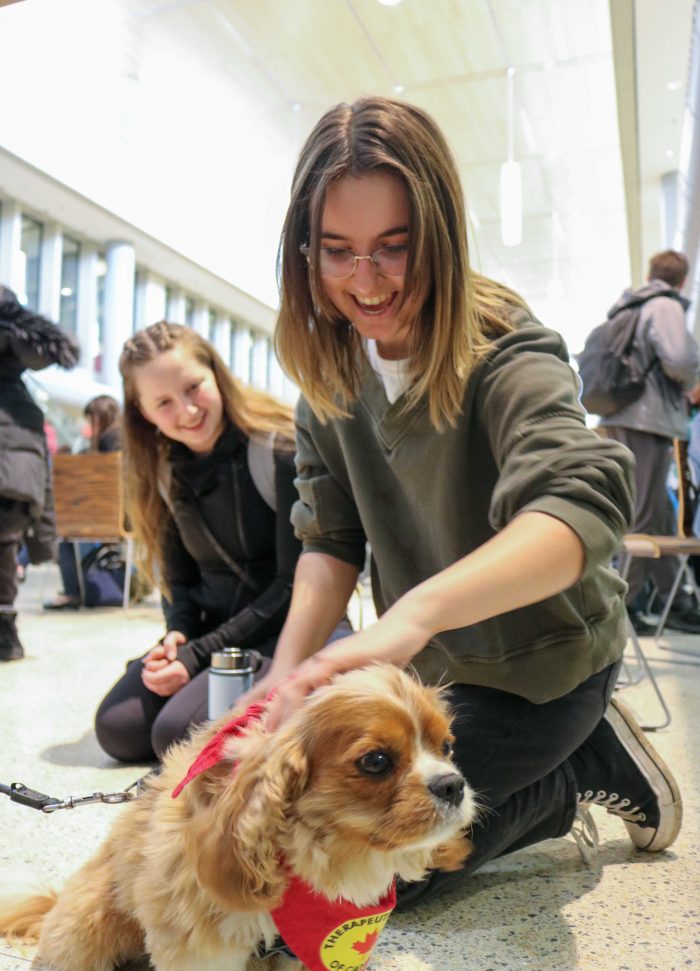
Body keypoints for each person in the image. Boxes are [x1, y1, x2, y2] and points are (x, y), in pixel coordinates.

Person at [247, 96, 682, 906]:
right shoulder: (332, 376)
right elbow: (329, 538)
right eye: (336, 251)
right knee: (300, 851)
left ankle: (584, 762)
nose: (364, 281)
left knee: (375, 884)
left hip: (544, 670)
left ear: (439, 237)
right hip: (430, 682)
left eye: (393, 248)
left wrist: (410, 617)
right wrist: (285, 679)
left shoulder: (506, 345)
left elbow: (579, 504)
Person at [94, 321, 327, 762]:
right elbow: (180, 585)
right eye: (163, 402)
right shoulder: (161, 473)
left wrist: (197, 655)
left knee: (174, 735)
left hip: (289, 630)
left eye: (193, 387)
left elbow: (292, 584)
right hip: (212, 636)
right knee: (117, 729)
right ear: (143, 412)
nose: (186, 411)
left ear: (217, 376)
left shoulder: (275, 450)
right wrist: (178, 636)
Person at [598, 250, 700, 634]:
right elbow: (678, 358)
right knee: (642, 515)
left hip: (627, 415)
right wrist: (691, 380)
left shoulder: (632, 304)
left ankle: (676, 602)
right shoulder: (664, 305)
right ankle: (619, 609)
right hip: (648, 421)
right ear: (683, 279)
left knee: (655, 515)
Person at [0, 285, 79, 660]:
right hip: (18, 485)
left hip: (13, 479)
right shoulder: (24, 400)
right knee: (4, 551)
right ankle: (6, 635)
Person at [44, 395, 124, 610]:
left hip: (110, 515)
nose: (89, 425)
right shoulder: (123, 438)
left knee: (65, 536)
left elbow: (99, 480)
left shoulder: (109, 440)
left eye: (91, 419)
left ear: (100, 417)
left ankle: (72, 593)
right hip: (124, 515)